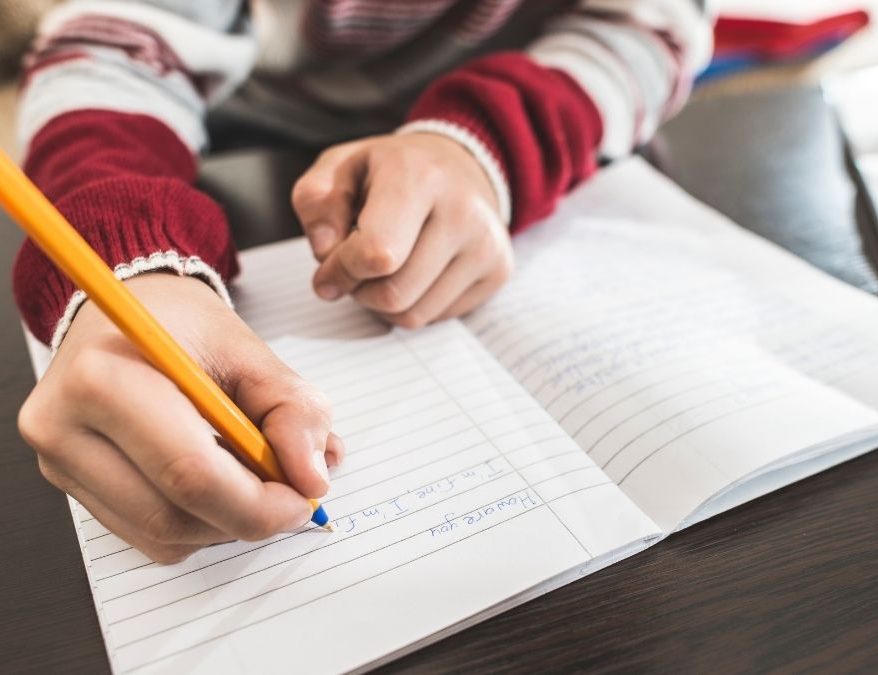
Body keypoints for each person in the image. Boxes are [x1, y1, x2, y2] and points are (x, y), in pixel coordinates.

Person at [12, 0, 713, 563]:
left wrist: (486, 143)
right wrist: (128, 256)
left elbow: (647, 28)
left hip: (564, 126)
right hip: (252, 142)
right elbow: (112, 53)